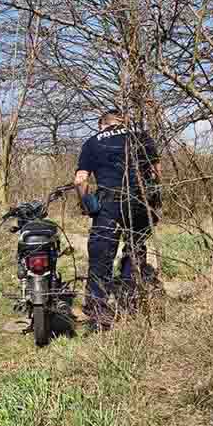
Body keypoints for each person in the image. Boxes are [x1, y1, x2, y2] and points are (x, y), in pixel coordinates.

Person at [74, 108, 161, 330]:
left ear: (102, 124)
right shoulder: (141, 137)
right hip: (139, 203)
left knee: (101, 257)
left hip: (109, 206)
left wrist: (86, 204)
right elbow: (156, 172)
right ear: (123, 122)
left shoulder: (92, 142)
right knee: (135, 251)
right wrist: (155, 200)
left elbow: (80, 179)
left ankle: (99, 317)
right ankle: (130, 306)